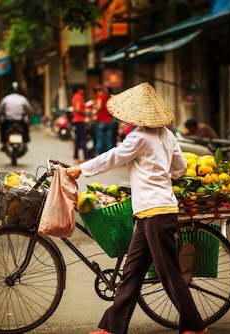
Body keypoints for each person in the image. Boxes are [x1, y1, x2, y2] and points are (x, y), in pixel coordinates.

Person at [66, 82, 208, 334]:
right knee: (132, 272)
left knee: (169, 274)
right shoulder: (167, 135)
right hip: (151, 212)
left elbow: (113, 157)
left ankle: (195, 326)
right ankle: (112, 327)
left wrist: (81, 169)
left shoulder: (138, 137)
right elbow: (180, 169)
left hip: (155, 212)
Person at [0, 83, 33, 152]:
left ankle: (4, 144)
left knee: (2, 128)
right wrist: (29, 114)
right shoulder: (22, 99)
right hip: (20, 121)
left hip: (8, 121)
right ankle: (25, 143)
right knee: (26, 128)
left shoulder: (6, 98)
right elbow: (29, 110)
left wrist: (0, 114)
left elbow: (0, 110)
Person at [72, 84, 89, 163]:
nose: (84, 91)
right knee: (82, 139)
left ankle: (76, 157)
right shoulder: (78, 97)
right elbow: (78, 109)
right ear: (79, 89)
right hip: (79, 121)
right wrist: (85, 112)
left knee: (78, 140)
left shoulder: (76, 96)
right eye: (83, 89)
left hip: (77, 121)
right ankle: (86, 156)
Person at [94, 85, 113, 155]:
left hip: (101, 121)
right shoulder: (107, 98)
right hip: (109, 121)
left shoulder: (100, 97)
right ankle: (111, 156)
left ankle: (97, 156)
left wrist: (95, 114)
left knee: (99, 140)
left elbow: (99, 107)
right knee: (109, 140)